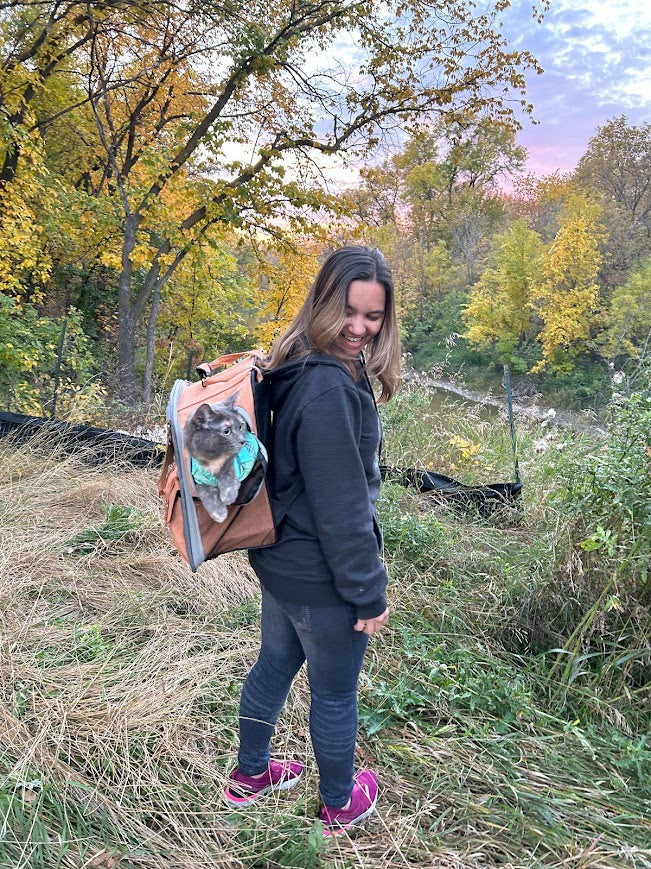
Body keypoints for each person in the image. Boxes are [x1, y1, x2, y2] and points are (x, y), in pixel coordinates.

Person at [223, 245, 401, 836]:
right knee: (334, 693)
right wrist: (367, 593)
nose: (359, 329)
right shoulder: (326, 390)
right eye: (348, 311)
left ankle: (250, 776)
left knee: (274, 661)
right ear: (324, 302)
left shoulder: (299, 361)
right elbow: (343, 508)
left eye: (372, 316)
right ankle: (339, 804)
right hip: (320, 575)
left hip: (281, 559)